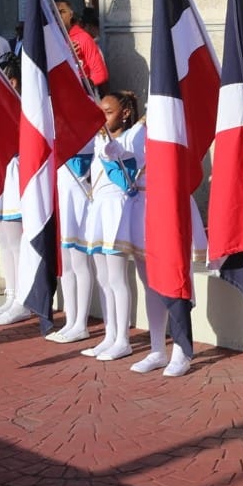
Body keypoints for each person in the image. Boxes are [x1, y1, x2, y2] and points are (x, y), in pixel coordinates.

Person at [86, 90, 146, 362]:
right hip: (98, 208)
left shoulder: (130, 139)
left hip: (116, 209)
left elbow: (128, 176)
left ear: (124, 113)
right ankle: (110, 334)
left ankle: (123, 338)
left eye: (108, 112)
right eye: (100, 112)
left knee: (117, 277)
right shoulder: (100, 140)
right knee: (103, 277)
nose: (102, 117)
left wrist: (115, 153)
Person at [0, 58, 30, 325]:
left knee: (16, 242)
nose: (7, 84)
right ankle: (10, 296)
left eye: (11, 80)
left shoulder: (27, 107)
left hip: (16, 174)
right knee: (4, 241)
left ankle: (23, 300)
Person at [46, 129, 99, 343]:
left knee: (80, 263)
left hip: (81, 204)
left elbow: (84, 168)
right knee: (66, 265)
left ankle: (81, 323)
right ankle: (70, 320)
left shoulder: (90, 134)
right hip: (64, 202)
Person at [56, 0, 109, 90]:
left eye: (62, 11)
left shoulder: (83, 38)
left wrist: (81, 88)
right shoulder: (47, 39)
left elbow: (100, 73)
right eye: (53, 12)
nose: (57, 15)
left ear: (70, 14)